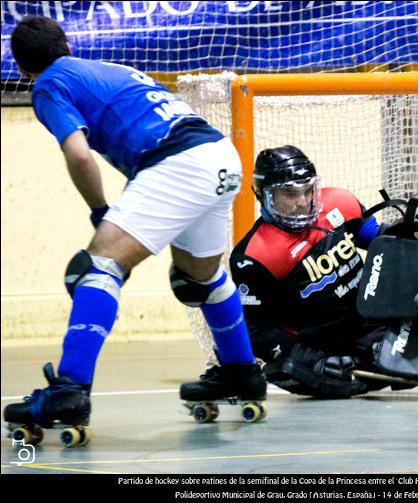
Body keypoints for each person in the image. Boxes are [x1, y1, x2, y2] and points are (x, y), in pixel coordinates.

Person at [4, 16, 265, 443]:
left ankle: (68, 392)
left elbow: (80, 156)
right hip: (220, 156)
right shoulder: (108, 68)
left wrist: (100, 210)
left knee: (98, 267)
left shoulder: (48, 85)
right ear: (67, 45)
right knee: (198, 279)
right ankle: (241, 373)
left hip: (176, 163)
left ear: (19, 67)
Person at [228, 145, 388, 398]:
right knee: (291, 368)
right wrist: (312, 360)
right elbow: (255, 329)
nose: (302, 202)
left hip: (371, 324)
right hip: (322, 349)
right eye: (289, 194)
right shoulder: (253, 255)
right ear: (265, 196)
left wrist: (412, 234)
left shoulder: (340, 203)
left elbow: (381, 243)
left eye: (307, 191)